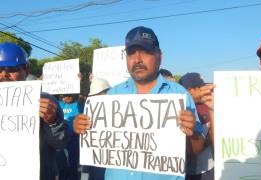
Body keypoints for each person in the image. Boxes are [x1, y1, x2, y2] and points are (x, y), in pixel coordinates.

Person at [74, 26, 206, 180]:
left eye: (145, 51)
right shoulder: (112, 95)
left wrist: (192, 134)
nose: (137, 59)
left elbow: (196, 149)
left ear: (159, 56)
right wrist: (83, 126)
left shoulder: (180, 95)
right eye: (131, 53)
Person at [0, 42, 69, 180]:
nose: (4, 75)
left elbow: (60, 143)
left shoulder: (45, 100)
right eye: (0, 69)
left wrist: (52, 122)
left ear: (26, 69)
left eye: (11, 69)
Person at [179, 73, 214, 180]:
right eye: (200, 88)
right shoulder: (179, 109)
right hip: (184, 171)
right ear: (190, 90)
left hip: (206, 169)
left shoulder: (209, 105)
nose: (205, 90)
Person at [80, 78, 111, 180]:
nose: (97, 98)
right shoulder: (89, 110)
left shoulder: (118, 111)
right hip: (94, 159)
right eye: (94, 96)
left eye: (101, 94)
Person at [56, 93, 83, 180]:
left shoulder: (79, 105)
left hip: (74, 138)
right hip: (60, 138)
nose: (66, 97)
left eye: (69, 95)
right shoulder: (58, 104)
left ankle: (73, 177)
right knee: (60, 162)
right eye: (64, 96)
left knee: (73, 162)